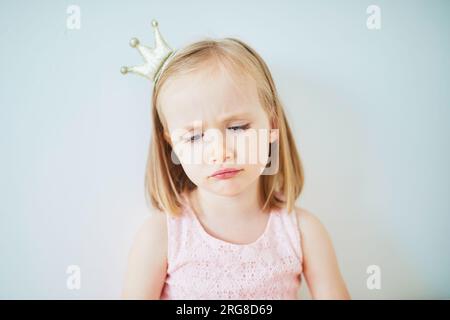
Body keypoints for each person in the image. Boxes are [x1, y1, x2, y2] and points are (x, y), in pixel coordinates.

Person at [121, 20, 350, 300]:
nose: (220, 152)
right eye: (194, 137)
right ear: (172, 144)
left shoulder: (303, 232)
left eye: (238, 128)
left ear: (272, 126)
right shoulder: (161, 236)